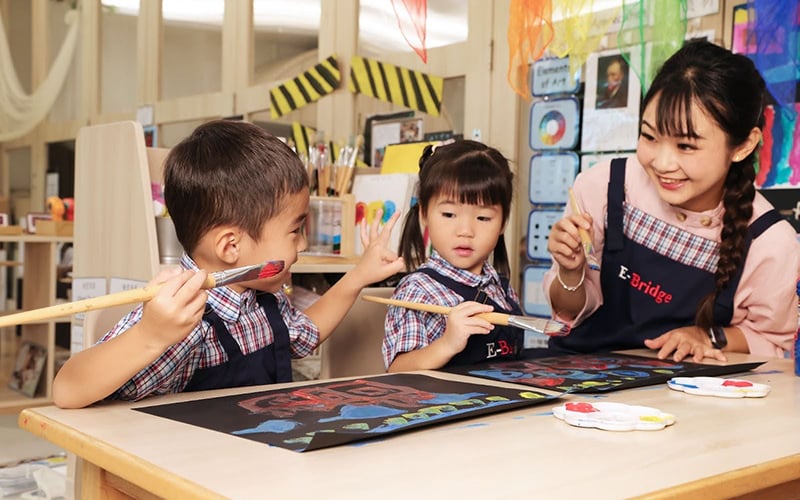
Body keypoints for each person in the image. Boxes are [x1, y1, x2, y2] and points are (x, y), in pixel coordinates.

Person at [53, 120, 405, 408]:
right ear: (230, 246)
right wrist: (150, 335)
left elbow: (303, 336)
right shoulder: (179, 317)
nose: (302, 244)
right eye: (295, 230)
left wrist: (359, 276)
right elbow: (67, 391)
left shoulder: (262, 297)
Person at [545, 40, 800, 362]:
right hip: (579, 382)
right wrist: (570, 272)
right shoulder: (604, 186)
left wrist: (708, 336)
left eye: (686, 146)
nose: (662, 163)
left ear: (743, 146)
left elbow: (775, 343)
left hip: (688, 402)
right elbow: (568, 314)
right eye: (650, 136)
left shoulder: (769, 241)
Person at [382, 140, 526, 371]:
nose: (465, 231)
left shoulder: (501, 287)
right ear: (425, 214)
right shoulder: (417, 291)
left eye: (483, 218)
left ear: (502, 224)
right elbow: (398, 371)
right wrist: (447, 344)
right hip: (445, 405)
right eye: (449, 214)